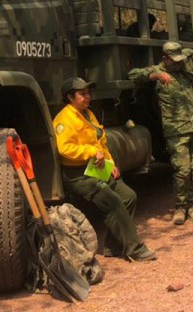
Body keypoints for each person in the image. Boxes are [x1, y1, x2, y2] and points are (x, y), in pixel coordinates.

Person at [53, 77, 156, 261]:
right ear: (70, 97)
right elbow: (64, 149)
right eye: (82, 94)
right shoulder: (64, 119)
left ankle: (113, 247)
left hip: (97, 168)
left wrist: (111, 163)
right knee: (113, 202)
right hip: (78, 175)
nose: (87, 97)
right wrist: (91, 152)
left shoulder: (88, 114)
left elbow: (101, 141)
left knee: (129, 196)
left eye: (88, 93)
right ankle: (135, 249)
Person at [128, 42, 193, 226]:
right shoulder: (158, 70)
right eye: (173, 60)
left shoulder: (187, 69)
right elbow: (132, 74)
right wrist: (155, 75)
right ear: (165, 58)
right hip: (175, 131)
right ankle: (181, 207)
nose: (177, 63)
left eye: (179, 59)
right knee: (182, 171)